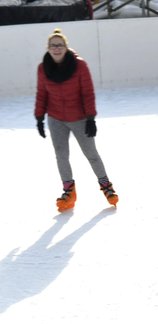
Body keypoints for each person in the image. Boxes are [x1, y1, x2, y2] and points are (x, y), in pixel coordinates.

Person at [34, 28, 117, 212]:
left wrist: (90, 119)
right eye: (53, 45)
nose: (57, 48)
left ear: (66, 46)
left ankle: (106, 187)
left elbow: (88, 93)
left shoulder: (79, 66)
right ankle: (68, 191)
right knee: (61, 155)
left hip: (79, 118)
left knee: (91, 154)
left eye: (60, 45)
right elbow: (42, 94)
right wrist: (39, 117)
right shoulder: (43, 68)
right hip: (56, 118)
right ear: (48, 48)